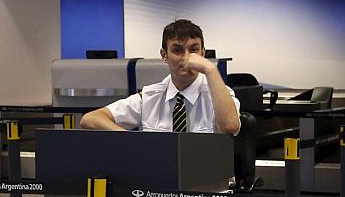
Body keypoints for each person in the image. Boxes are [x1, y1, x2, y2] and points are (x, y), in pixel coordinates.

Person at [80, 19, 241, 136]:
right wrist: (132, 140)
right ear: (164, 55)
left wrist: (210, 69)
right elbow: (90, 119)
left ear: (203, 53)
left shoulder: (219, 95)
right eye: (177, 50)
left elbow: (230, 126)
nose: (186, 58)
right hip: (159, 180)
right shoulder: (150, 97)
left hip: (208, 179)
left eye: (193, 50)